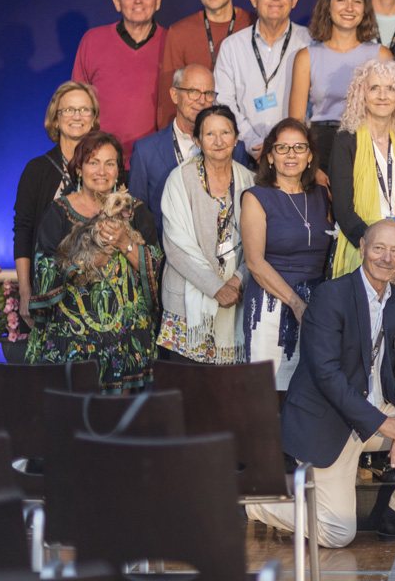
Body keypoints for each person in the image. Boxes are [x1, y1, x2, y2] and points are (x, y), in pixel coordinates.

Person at [246, 219, 395, 547]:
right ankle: (251, 504)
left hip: (375, 416)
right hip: (329, 423)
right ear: (362, 248)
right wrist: (387, 425)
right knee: (337, 534)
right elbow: (327, 376)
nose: (386, 258)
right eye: (379, 248)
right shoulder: (331, 295)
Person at [26, 131, 162, 391]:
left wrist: (125, 243)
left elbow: (156, 265)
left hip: (128, 338)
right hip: (72, 337)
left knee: (125, 415)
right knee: (74, 412)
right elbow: (43, 266)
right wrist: (84, 263)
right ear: (79, 169)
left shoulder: (136, 211)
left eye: (110, 163)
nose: (102, 171)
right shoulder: (58, 212)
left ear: (118, 171)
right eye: (93, 162)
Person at [159, 105, 255, 364]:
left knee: (228, 385)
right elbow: (176, 247)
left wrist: (237, 281)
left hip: (236, 299)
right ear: (197, 140)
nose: (218, 141)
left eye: (225, 132)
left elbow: (258, 246)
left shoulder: (251, 181)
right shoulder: (179, 179)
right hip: (187, 309)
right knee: (187, 385)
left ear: (236, 138)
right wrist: (216, 288)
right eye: (210, 134)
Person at [240, 118, 332, 389]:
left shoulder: (324, 195)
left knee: (310, 394)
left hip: (317, 309)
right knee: (270, 395)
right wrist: (296, 304)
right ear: (270, 156)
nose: (291, 154)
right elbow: (254, 263)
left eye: (299, 147)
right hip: (269, 307)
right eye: (282, 148)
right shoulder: (255, 197)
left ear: (310, 156)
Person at [12, 82, 100, 361]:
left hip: (97, 297)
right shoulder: (36, 170)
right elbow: (23, 231)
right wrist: (25, 291)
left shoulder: (106, 171)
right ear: (56, 118)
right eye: (69, 110)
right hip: (48, 295)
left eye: (84, 109)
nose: (77, 116)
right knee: (50, 375)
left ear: (93, 118)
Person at [331, 59, 395, 313]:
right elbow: (343, 209)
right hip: (360, 251)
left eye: (391, 88)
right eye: (374, 88)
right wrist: (378, 254)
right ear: (361, 94)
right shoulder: (345, 141)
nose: (383, 96)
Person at [288, 0, 391, 175]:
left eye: (357, 1)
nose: (349, 8)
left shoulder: (381, 55)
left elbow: (392, 115)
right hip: (320, 148)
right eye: (341, 0)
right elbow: (296, 123)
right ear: (328, 6)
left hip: (368, 146)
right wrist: (311, 167)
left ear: (365, 9)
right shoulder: (306, 57)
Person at [130, 64, 246, 238]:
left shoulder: (233, 147)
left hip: (224, 247)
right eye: (193, 92)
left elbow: (244, 208)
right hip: (166, 248)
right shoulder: (146, 151)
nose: (202, 100)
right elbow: (136, 214)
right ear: (174, 95)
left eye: (208, 93)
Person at [215, 0, 312, 162]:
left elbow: (315, 102)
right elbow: (224, 102)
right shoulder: (232, 46)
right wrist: (254, 143)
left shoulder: (310, 43)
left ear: (294, 0)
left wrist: (288, 145)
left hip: (296, 157)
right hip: (243, 155)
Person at [72, 0, 166, 164]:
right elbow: (76, 105)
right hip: (101, 162)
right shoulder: (92, 41)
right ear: (117, 2)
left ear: (157, 1)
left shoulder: (172, 42)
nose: (138, 1)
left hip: (156, 163)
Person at [156, 0, 256, 126]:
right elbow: (168, 99)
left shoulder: (254, 25)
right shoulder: (179, 32)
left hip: (248, 131)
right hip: (196, 133)